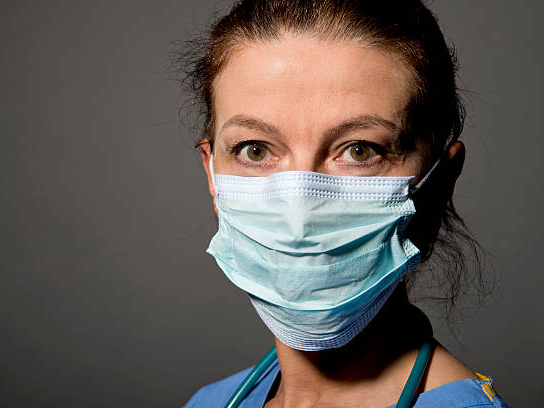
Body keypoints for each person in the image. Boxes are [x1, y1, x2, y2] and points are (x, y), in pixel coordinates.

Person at [180, 1, 510, 407]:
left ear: (440, 180)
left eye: (358, 150)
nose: (299, 209)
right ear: (213, 175)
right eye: (254, 149)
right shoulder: (209, 401)